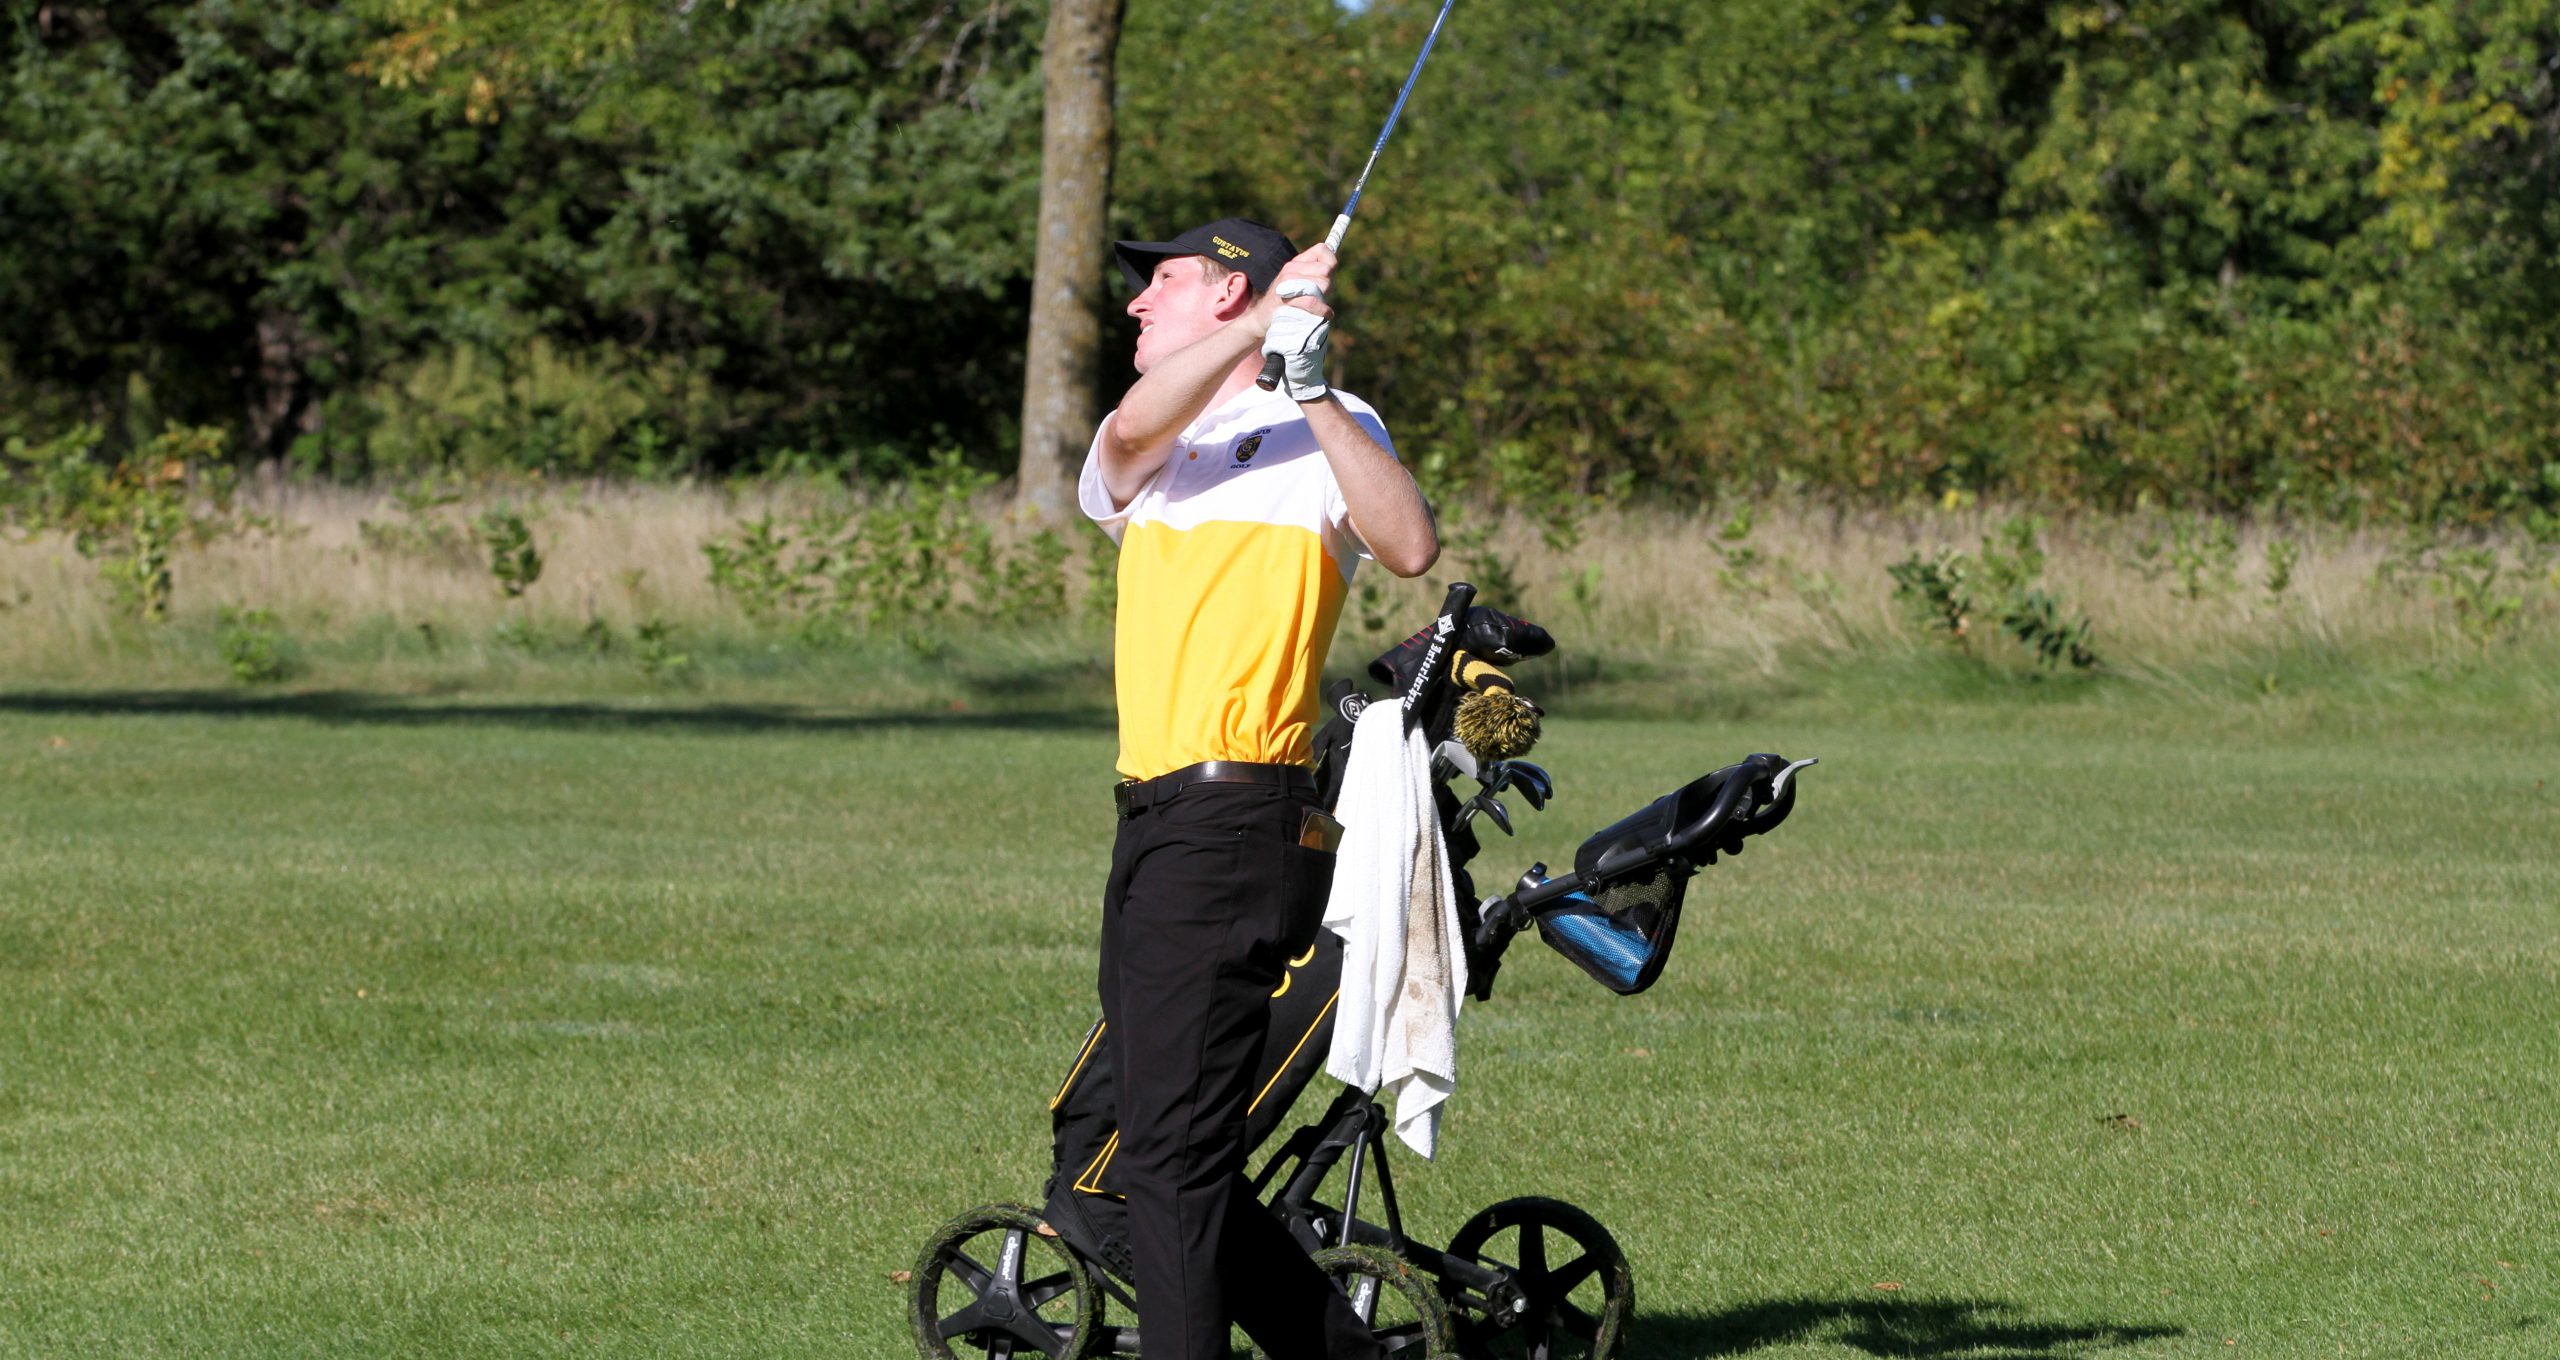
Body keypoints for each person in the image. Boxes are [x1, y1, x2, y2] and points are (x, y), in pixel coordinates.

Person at [1076, 216, 1438, 1360]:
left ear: (1226, 292)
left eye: (1164, 284)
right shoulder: (1155, 445)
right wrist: (1264, 312)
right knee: (1157, 1155)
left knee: (1172, 1163)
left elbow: (1409, 543)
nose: (1136, 305)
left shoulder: (1317, 430)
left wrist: (1317, 388)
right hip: (1149, 821)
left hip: (1236, 821)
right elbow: (1127, 434)